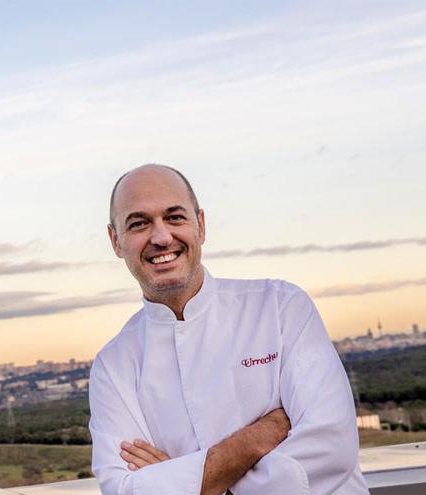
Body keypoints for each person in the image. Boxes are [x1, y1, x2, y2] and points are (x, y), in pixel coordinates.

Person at [89, 164, 368, 494]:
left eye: (175, 217)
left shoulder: (281, 307)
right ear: (115, 241)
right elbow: (124, 489)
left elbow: (331, 447)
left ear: (201, 226)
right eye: (139, 224)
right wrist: (257, 438)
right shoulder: (113, 366)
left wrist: (182, 480)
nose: (162, 238)